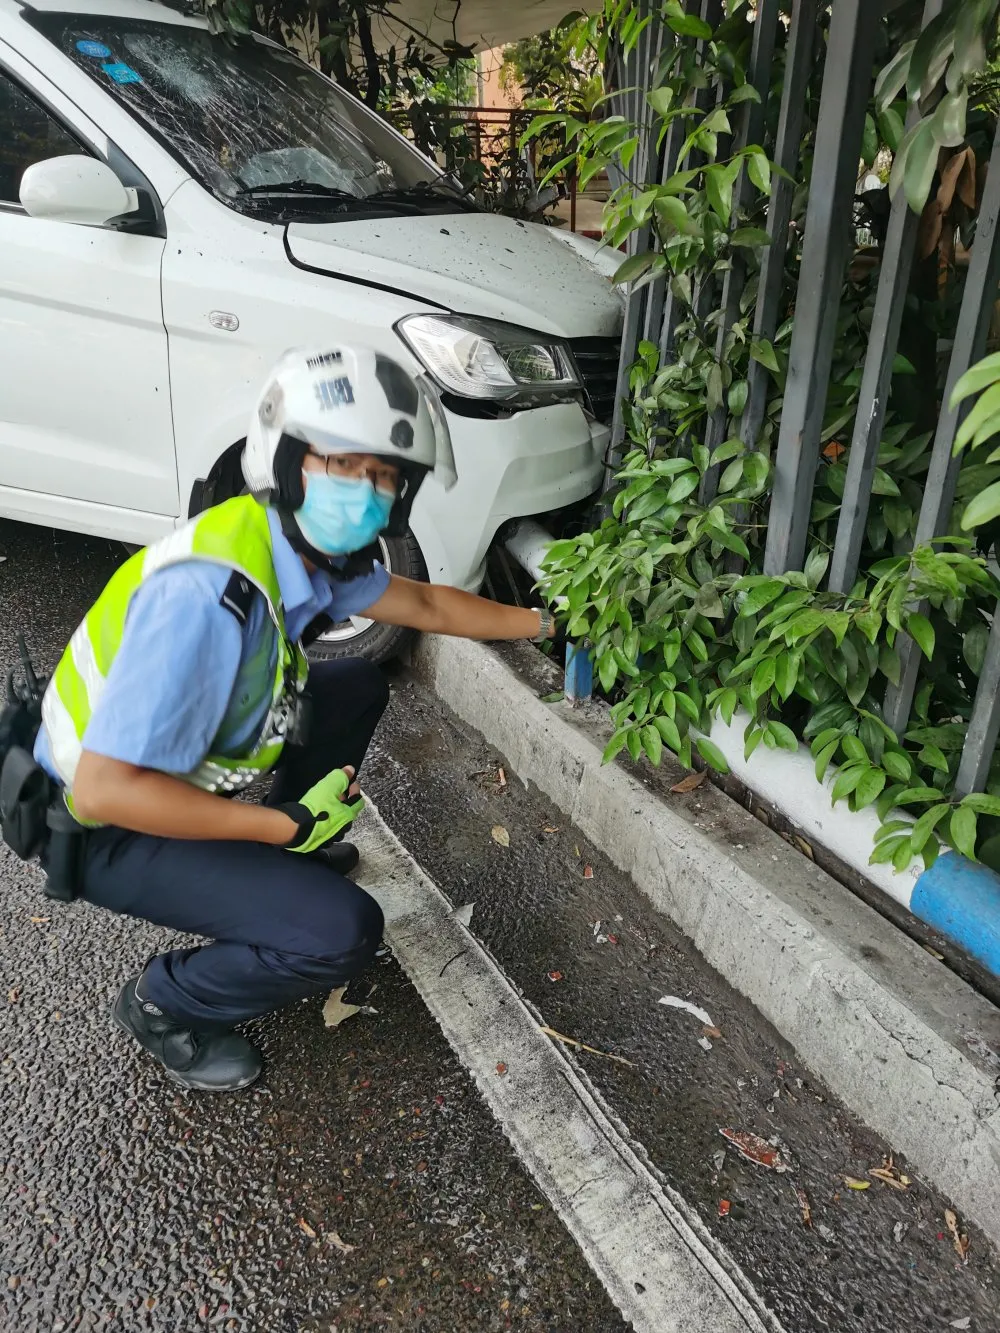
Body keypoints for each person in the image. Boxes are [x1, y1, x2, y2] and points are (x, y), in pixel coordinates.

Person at [34, 345, 553, 1093]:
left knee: (351, 686)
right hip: (100, 824)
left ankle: (286, 871)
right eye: (344, 466)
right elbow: (104, 791)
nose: (365, 492)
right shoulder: (209, 597)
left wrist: (543, 622)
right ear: (284, 460)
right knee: (345, 931)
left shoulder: (305, 550)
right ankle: (164, 1002)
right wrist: (281, 827)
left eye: (383, 478)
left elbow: (430, 604)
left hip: (158, 777)